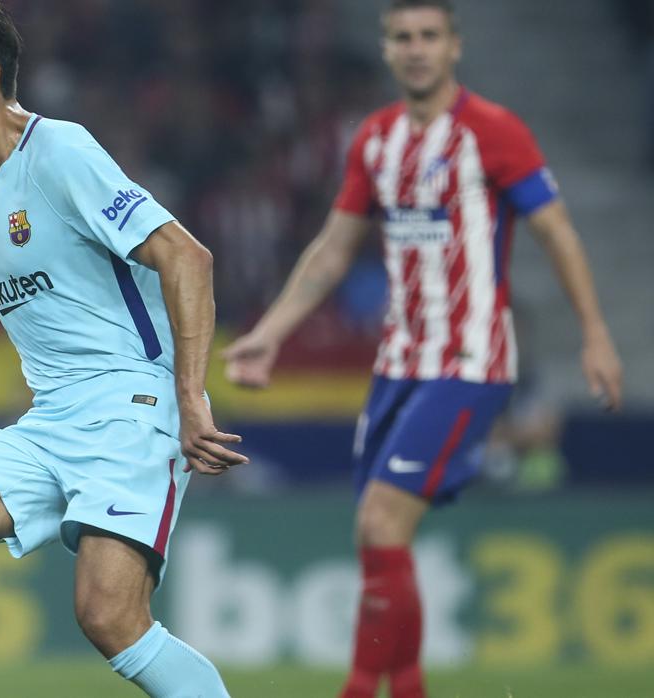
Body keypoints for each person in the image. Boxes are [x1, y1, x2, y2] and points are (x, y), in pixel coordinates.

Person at [222, 2, 624, 697]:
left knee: (381, 520)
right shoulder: (375, 140)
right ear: (386, 50)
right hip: (397, 364)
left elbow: (556, 232)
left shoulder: (494, 132)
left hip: (468, 363)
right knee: (379, 538)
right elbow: (333, 248)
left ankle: (357, 690)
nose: (416, 49)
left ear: (454, 46)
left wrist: (594, 334)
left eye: (429, 36)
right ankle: (407, 688)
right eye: (403, 37)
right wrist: (272, 332)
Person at [0, 1, 247, 697]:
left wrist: (189, 398)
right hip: (55, 420)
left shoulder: (59, 151)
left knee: (109, 618)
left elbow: (186, 258)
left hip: (132, 406)